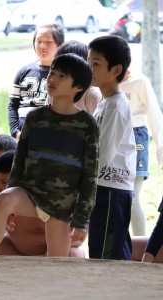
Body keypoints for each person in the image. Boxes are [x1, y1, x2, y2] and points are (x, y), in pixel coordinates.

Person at [0, 53, 99, 257]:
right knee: (4, 199)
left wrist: (81, 217)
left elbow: (90, 175)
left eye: (62, 76)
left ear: (78, 87)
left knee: (56, 265)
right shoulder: (34, 118)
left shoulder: (87, 124)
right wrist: (11, 207)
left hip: (62, 204)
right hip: (30, 193)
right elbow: (19, 162)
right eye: (52, 73)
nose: (52, 79)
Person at [0, 151, 86, 257]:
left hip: (50, 254)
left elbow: (78, 237)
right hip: (13, 249)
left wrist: (53, 254)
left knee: (73, 255)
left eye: (5, 182)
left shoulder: (50, 199)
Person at [87, 35, 137, 260]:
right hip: (104, 189)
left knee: (108, 256)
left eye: (96, 64)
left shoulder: (116, 106)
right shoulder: (105, 103)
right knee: (104, 250)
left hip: (111, 190)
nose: (90, 68)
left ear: (116, 69)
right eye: (89, 62)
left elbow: (102, 155)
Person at [119, 69, 163, 236]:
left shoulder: (140, 81)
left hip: (136, 137)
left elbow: (155, 114)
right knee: (117, 199)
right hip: (114, 137)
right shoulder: (105, 81)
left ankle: (139, 244)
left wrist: (161, 153)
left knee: (133, 198)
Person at [8, 23, 65, 140]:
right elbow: (13, 105)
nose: (42, 46)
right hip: (23, 134)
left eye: (48, 42)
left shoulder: (64, 74)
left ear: (59, 44)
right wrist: (16, 133)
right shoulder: (23, 71)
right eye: (38, 41)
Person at [47, 40, 101, 115]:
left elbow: (97, 124)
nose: (53, 79)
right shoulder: (53, 91)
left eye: (62, 74)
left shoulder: (91, 96)